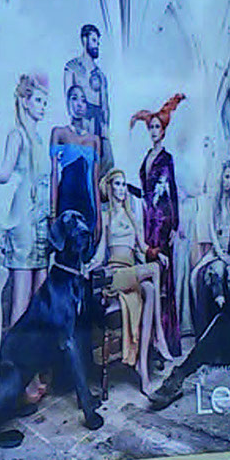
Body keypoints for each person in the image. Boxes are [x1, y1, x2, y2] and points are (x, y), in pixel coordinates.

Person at [147, 234, 230, 410]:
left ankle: (177, 378)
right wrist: (227, 287)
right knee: (221, 322)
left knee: (220, 326)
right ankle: (178, 378)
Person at [0, 72, 54, 329]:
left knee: (39, 298)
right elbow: (4, 173)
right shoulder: (17, 136)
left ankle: (34, 351)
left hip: (41, 220)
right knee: (20, 301)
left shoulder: (40, 140)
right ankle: (14, 352)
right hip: (23, 220)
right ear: (25, 101)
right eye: (38, 101)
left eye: (45, 102)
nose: (42, 107)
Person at [99, 168, 168, 392]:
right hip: (116, 275)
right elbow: (100, 253)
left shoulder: (132, 216)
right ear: (110, 188)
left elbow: (143, 247)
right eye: (117, 184)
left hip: (131, 272)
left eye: (123, 184)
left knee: (150, 289)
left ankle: (143, 369)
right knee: (154, 270)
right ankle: (159, 336)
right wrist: (88, 267)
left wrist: (158, 253)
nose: (121, 189)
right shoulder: (106, 216)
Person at [132, 96, 187, 356]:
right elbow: (145, 192)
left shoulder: (167, 158)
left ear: (163, 130)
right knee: (150, 275)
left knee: (164, 279)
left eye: (157, 127)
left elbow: (171, 192)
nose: (154, 131)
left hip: (163, 222)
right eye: (151, 127)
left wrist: (175, 225)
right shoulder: (146, 157)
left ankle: (167, 340)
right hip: (147, 221)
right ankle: (151, 340)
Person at [63, 24, 112, 175]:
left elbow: (105, 106)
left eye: (98, 42)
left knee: (105, 166)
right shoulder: (72, 67)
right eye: (94, 40)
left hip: (99, 126)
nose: (97, 45)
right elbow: (68, 99)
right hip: (82, 124)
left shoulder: (100, 75)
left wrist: (105, 131)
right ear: (85, 40)